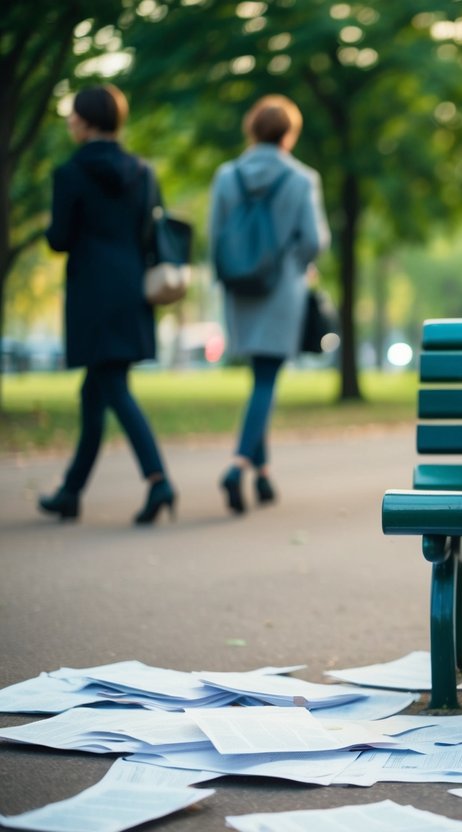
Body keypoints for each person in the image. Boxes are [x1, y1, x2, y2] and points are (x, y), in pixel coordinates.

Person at [40, 84, 176, 526]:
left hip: (92, 295)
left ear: (85, 120)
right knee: (95, 391)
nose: (68, 121)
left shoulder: (69, 173)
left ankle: (158, 480)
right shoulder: (143, 172)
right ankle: (71, 492)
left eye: (72, 115)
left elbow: (60, 239)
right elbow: (150, 234)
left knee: (112, 387)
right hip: (132, 290)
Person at [208, 94, 329, 515]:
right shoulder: (301, 179)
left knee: (259, 376)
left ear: (252, 128)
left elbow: (214, 235)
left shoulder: (226, 176)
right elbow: (315, 241)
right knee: (266, 379)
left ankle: (262, 476)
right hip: (281, 290)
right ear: (289, 134)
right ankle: (239, 464)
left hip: (239, 290)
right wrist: (300, 264)